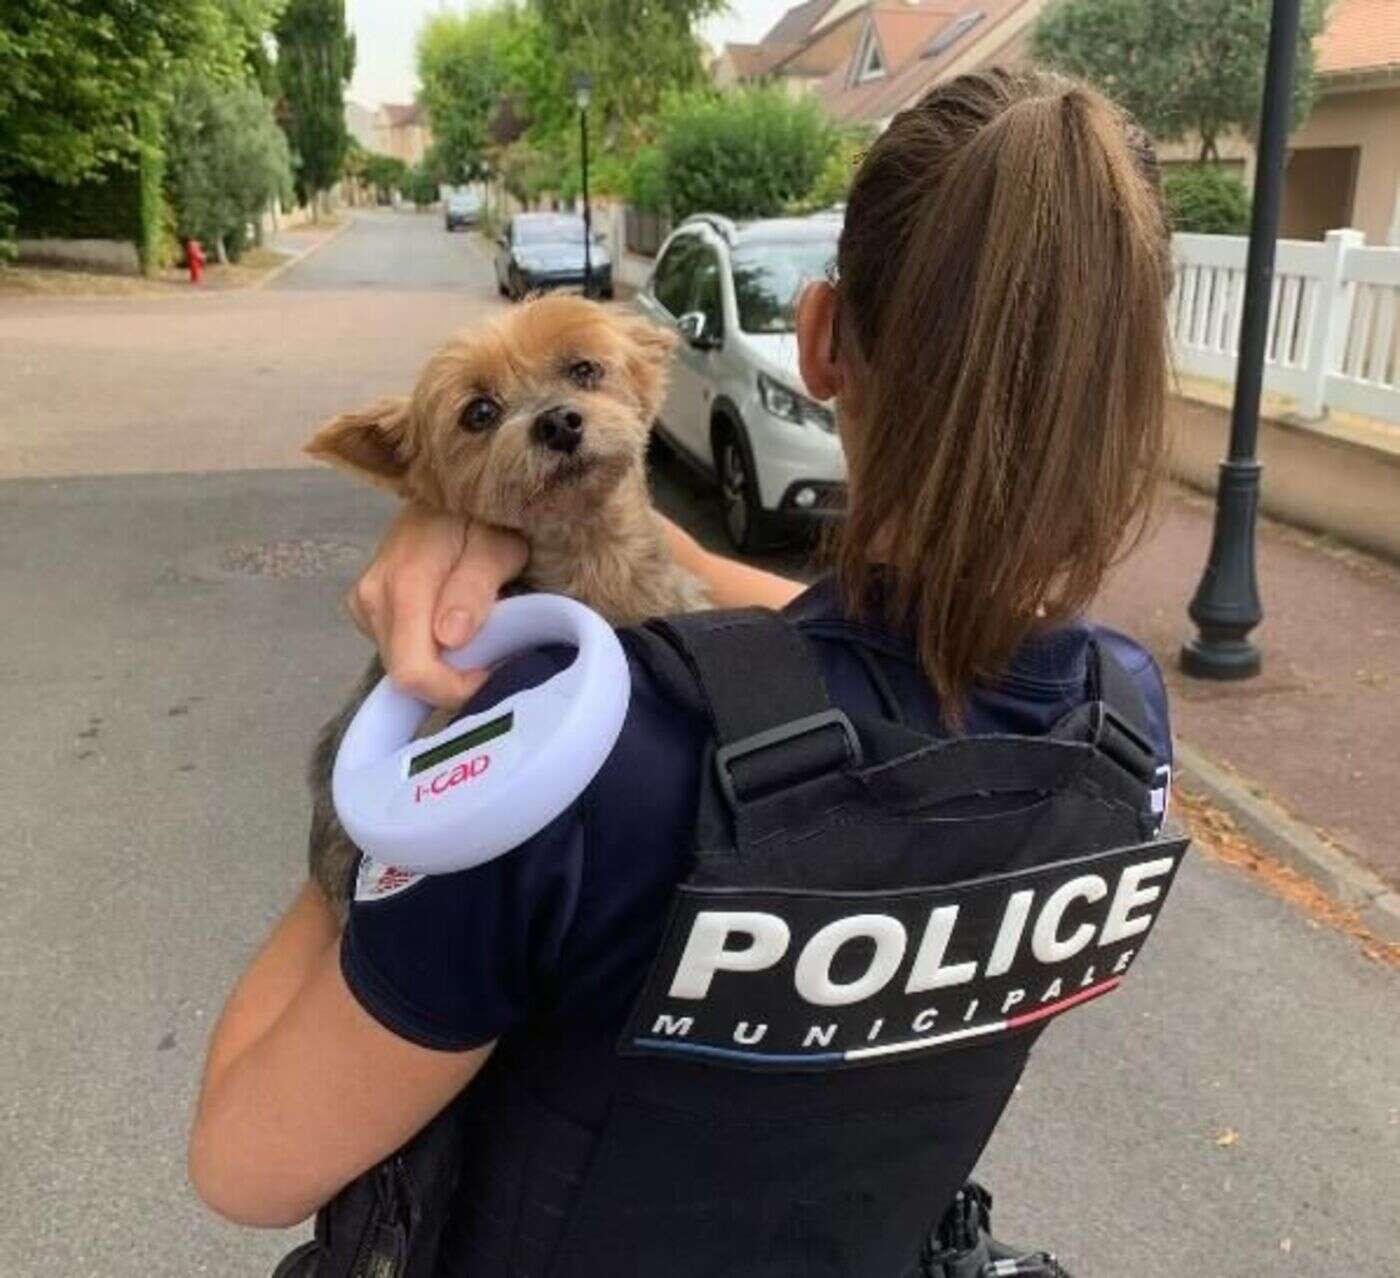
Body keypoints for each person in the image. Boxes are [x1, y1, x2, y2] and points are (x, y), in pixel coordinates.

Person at [190, 68, 1176, 1274]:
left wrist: (385, 797)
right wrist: (473, 525)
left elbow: (245, 1164)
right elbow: (804, 629)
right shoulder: (1115, 727)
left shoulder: (563, 771)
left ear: (819, 339)